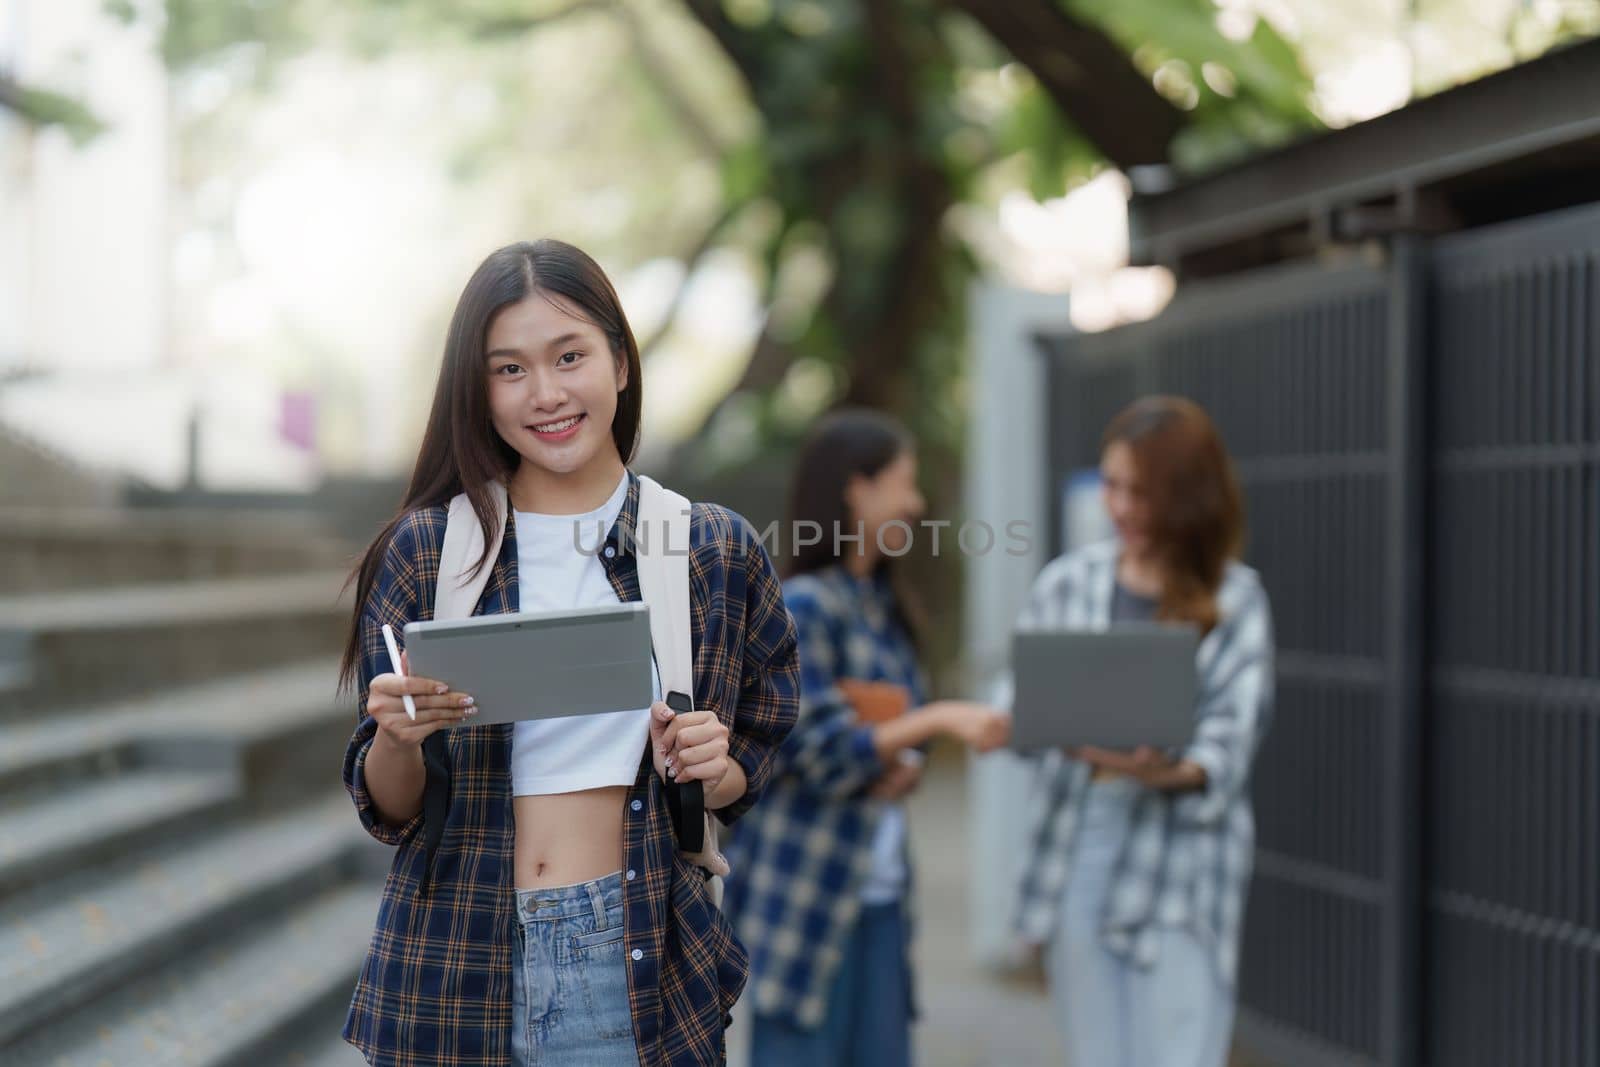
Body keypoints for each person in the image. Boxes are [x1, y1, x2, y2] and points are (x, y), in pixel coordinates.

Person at [336, 239, 799, 1066]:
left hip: (633, 965)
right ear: (477, 391)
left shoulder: (708, 549)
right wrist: (399, 738)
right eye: (508, 369)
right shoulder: (430, 551)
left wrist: (713, 764)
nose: (545, 393)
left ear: (621, 362)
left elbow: (759, 752)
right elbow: (391, 808)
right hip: (452, 966)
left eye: (569, 355)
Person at [722, 408, 1011, 1066]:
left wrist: (900, 761)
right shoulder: (804, 605)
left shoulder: (881, 603)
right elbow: (819, 746)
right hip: (807, 894)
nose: (915, 504)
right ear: (858, 488)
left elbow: (878, 740)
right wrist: (937, 720)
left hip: (879, 891)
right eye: (904, 484)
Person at [1014, 395, 1275, 1067]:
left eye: (1142, 490)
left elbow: (1229, 742)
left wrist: (1159, 765)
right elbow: (1022, 701)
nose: (1122, 506)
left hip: (1183, 864)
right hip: (1082, 844)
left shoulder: (1236, 598)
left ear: (1187, 497)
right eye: (1112, 485)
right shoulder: (1067, 583)